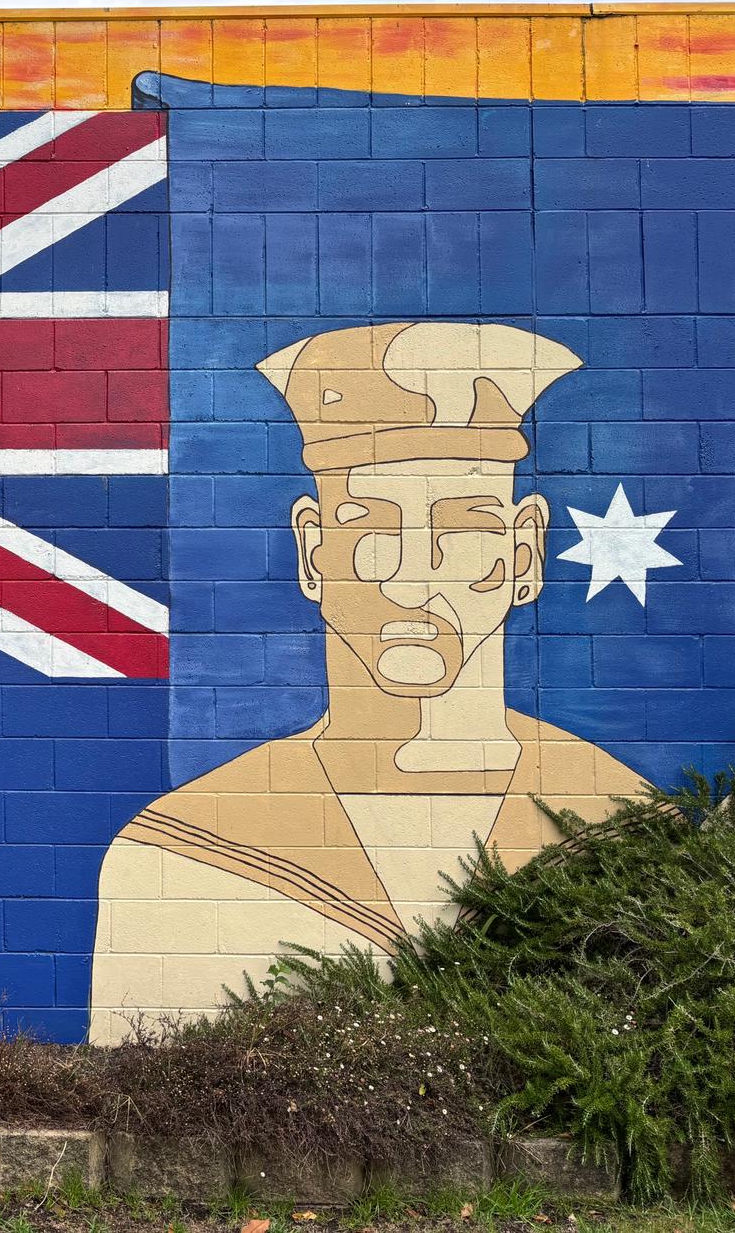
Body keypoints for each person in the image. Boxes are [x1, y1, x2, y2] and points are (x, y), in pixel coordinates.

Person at [89, 321, 643, 1044]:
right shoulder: (179, 858)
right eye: (370, 527)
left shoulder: (622, 824)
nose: (412, 578)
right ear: (313, 550)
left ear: (524, 552)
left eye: (463, 527)